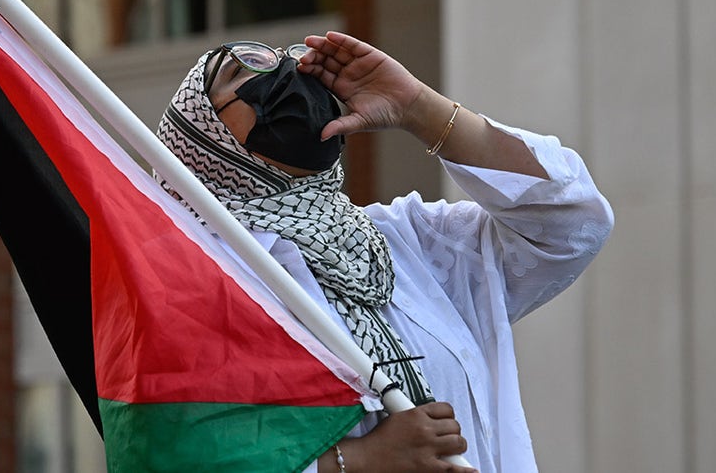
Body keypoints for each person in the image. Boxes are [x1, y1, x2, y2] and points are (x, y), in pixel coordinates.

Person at [155, 31, 613, 472]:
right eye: (247, 69)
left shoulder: (407, 240)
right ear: (201, 137)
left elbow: (571, 223)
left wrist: (416, 107)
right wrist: (357, 462)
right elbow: (171, 451)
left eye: (292, 58)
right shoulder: (202, 282)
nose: (289, 70)